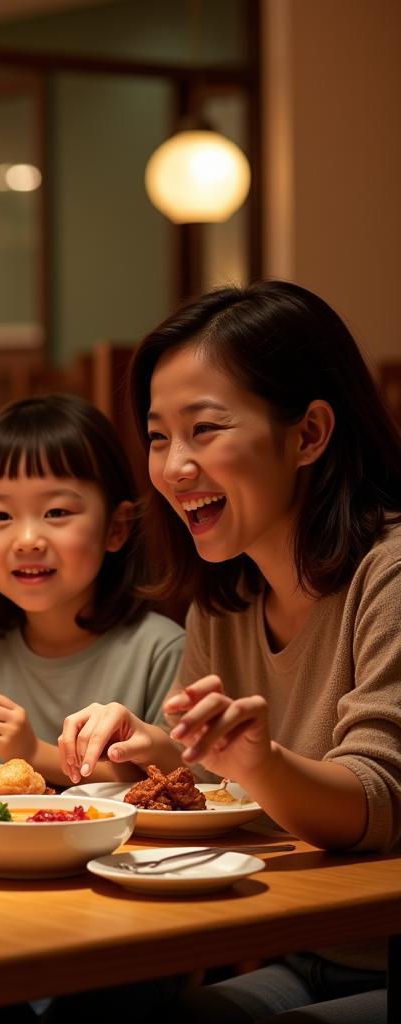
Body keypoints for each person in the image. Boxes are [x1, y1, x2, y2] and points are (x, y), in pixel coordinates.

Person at [59, 281, 399, 1023]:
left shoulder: (391, 574)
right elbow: (222, 776)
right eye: (156, 436)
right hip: (296, 950)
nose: (174, 466)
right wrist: (151, 749)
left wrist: (258, 761)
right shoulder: (226, 592)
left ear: (308, 434)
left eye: (205, 429)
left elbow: (378, 802)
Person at [0, 394, 183, 787]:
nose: (27, 540)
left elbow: (175, 780)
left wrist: (32, 754)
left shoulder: (160, 651)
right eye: (0, 516)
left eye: (56, 512)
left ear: (116, 528)